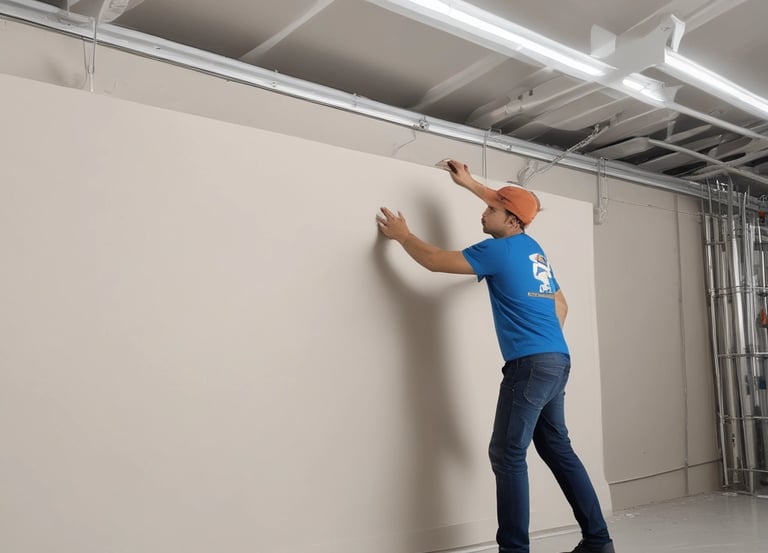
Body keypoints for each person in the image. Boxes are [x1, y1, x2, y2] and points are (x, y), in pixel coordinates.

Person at [375, 160, 615, 553]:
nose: (483, 211)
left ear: (511, 221)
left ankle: (514, 550)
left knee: (506, 453)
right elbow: (563, 306)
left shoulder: (497, 251)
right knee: (557, 449)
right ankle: (599, 542)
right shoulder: (534, 251)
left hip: (531, 365)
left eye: (491, 210)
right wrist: (469, 183)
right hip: (557, 359)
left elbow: (434, 261)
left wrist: (403, 236)